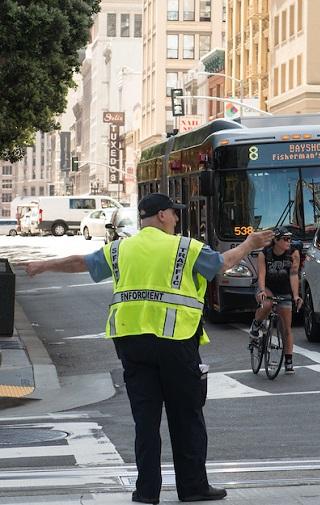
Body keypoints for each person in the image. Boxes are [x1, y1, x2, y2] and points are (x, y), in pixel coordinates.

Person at [25, 193, 274, 504]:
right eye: (174, 212)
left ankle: (146, 491)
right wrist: (250, 244)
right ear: (161, 216)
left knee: (145, 421)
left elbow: (80, 263)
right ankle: (193, 487)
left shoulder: (120, 249)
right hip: (176, 341)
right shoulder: (184, 247)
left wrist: (42, 265)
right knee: (186, 416)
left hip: (132, 343)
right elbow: (223, 264)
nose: (178, 218)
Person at [248, 226, 302, 375]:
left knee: (286, 326)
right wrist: (262, 291)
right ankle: (256, 324)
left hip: (284, 289)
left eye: (290, 239)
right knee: (267, 303)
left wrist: (296, 295)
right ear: (276, 240)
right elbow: (262, 275)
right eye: (285, 239)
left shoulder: (293, 253)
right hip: (268, 286)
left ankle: (289, 361)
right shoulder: (265, 254)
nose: (289, 242)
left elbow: (293, 275)